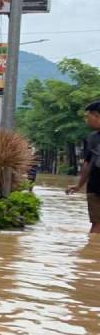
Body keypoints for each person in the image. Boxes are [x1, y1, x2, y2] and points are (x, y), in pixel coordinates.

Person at [65, 99, 100, 234]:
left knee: (97, 224)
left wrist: (79, 185)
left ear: (97, 116)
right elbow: (87, 164)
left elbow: (87, 164)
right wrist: (79, 185)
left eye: (88, 116)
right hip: (95, 187)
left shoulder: (91, 139)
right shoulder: (91, 138)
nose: (87, 120)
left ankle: (92, 252)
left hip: (95, 186)